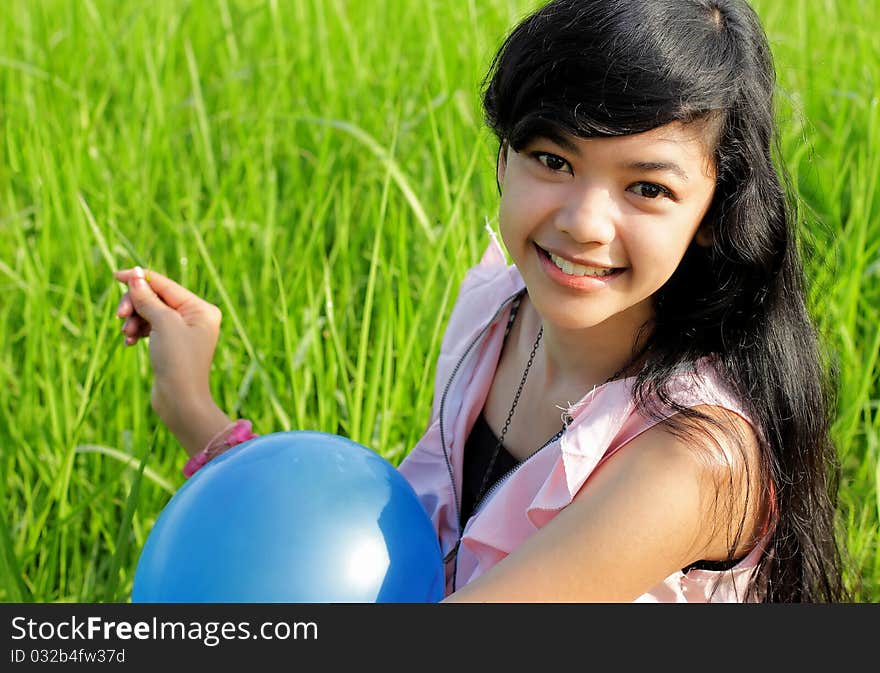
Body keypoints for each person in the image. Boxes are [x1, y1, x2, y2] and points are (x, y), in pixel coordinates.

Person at [113, 0, 849, 602]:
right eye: (553, 160)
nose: (584, 224)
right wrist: (189, 401)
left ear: (715, 215)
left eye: (647, 188)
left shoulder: (694, 459)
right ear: (503, 159)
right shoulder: (498, 313)